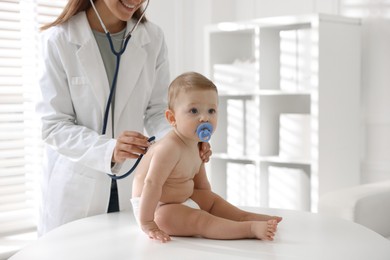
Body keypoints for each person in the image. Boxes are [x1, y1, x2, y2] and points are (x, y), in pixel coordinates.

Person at [36, 0, 211, 236]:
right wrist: (109, 150)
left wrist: (185, 142)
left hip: (135, 184)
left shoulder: (152, 38)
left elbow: (158, 110)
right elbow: (53, 125)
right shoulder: (59, 40)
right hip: (78, 188)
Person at [131, 72, 282, 243]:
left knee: (213, 200)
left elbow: (202, 187)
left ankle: (244, 217)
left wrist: (211, 205)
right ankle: (249, 229)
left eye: (211, 110)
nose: (205, 118)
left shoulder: (195, 144)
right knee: (201, 220)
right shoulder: (169, 148)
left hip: (181, 200)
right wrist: (148, 223)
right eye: (194, 111)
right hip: (155, 208)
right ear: (172, 118)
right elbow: (151, 184)